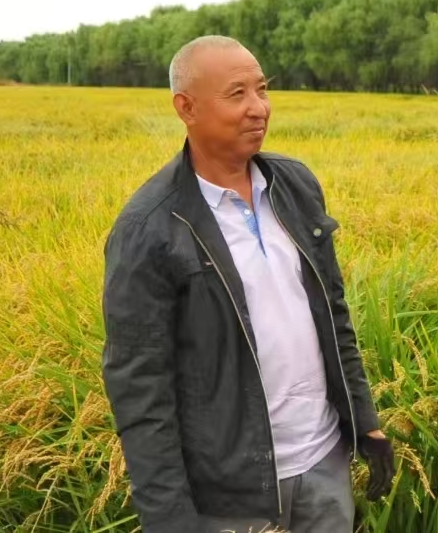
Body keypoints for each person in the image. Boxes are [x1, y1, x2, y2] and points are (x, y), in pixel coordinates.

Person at [101, 35, 395, 533]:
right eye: (237, 94)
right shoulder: (149, 229)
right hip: (230, 494)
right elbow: (139, 388)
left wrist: (363, 419)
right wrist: (170, 519)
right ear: (186, 108)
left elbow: (333, 312)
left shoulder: (294, 186)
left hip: (324, 463)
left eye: (262, 89)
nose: (258, 108)